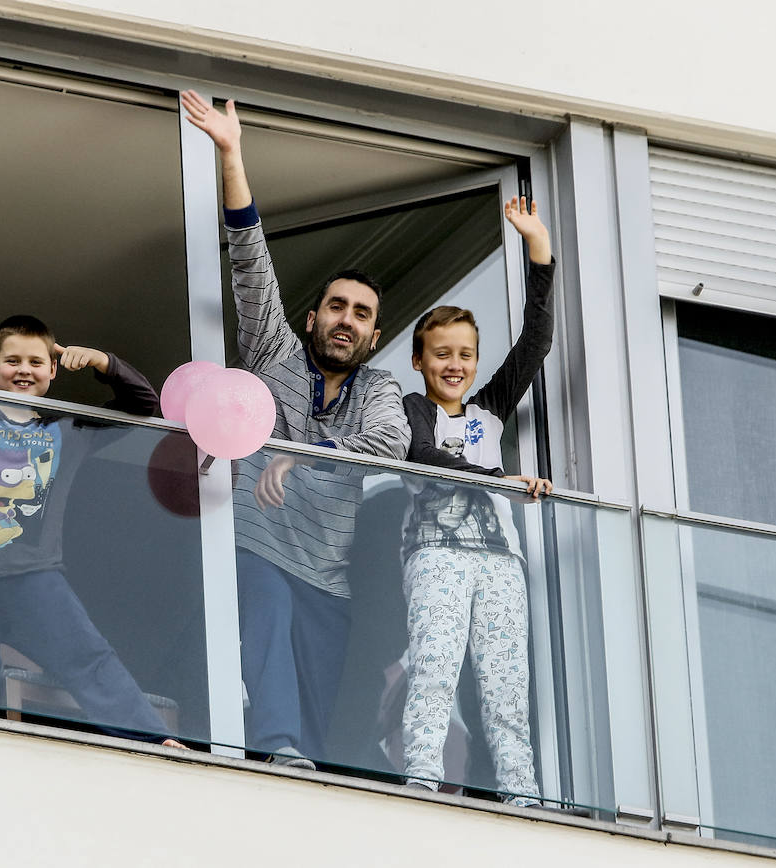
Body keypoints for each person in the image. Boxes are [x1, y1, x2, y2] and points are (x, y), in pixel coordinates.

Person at [181, 90, 410, 770]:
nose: (346, 318)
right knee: (275, 683)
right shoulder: (274, 354)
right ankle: (273, 741)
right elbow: (250, 260)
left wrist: (299, 455)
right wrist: (231, 153)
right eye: (335, 306)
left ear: (374, 334)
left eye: (361, 313)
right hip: (256, 549)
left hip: (328, 579)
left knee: (318, 718)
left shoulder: (379, 390)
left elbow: (392, 443)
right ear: (312, 318)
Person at [0, 315, 185, 749]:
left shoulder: (70, 425)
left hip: (34, 571)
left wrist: (105, 363)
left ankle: (152, 739)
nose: (23, 369)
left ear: (52, 369)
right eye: (12, 360)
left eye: (35, 361)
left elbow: (143, 403)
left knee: (87, 655)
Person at [398, 195, 555, 806]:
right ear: (419, 360)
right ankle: (421, 779)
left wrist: (537, 250)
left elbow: (537, 343)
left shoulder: (490, 409)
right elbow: (417, 456)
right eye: (441, 354)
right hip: (435, 552)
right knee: (433, 672)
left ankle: (523, 796)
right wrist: (500, 481)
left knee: (506, 684)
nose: (454, 365)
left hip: (498, 560)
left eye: (465, 354)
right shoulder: (410, 409)